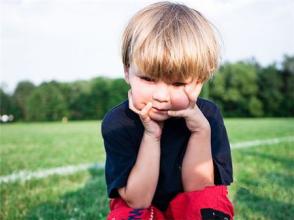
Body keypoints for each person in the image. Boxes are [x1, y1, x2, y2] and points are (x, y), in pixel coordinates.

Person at [101, 1, 234, 219]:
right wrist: (151, 135)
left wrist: (201, 132)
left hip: (187, 205)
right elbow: (138, 201)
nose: (161, 96)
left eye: (178, 84)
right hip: (144, 207)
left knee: (209, 205)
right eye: (148, 79)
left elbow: (198, 194)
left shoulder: (208, 116)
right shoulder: (118, 122)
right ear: (127, 71)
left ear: (198, 83)